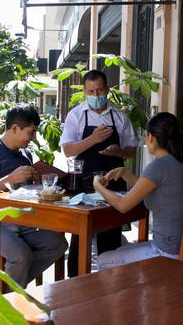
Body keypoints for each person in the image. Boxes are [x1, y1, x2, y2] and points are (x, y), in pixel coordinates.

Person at [0, 105, 68, 288]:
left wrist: (37, 182)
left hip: (22, 219)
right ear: (14, 128)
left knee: (58, 244)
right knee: (21, 256)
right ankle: (10, 300)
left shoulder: (25, 154)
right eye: (31, 132)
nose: (33, 138)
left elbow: (23, 192)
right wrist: (9, 179)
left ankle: (8, 289)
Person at [93, 112, 183, 269]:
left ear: (151, 137)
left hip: (168, 254)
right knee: (122, 249)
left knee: (103, 260)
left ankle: (135, 292)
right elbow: (148, 188)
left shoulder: (158, 166)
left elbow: (122, 205)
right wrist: (124, 172)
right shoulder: (182, 162)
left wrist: (98, 186)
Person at [59, 69, 139, 277]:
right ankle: (75, 282)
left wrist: (118, 151)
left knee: (110, 236)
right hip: (84, 183)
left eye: (99, 90)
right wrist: (92, 139)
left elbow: (132, 151)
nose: (96, 95)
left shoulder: (120, 117)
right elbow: (68, 150)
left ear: (108, 90)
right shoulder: (76, 115)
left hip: (114, 184)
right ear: (85, 92)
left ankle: (108, 284)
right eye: (91, 91)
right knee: (79, 236)